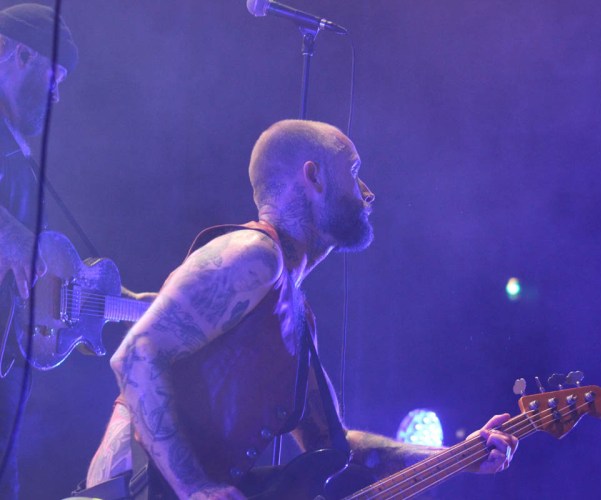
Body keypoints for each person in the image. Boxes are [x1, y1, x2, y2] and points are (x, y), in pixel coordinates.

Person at [84, 120, 519, 499]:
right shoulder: (254, 254)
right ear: (314, 177)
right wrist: (194, 487)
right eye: (354, 172)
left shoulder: (296, 316)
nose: (368, 193)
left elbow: (336, 446)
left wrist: (457, 456)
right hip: (134, 488)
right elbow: (135, 355)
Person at [0, 4, 77, 499]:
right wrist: (13, 236)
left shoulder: (15, 146)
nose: (56, 95)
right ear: (19, 54)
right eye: (54, 76)